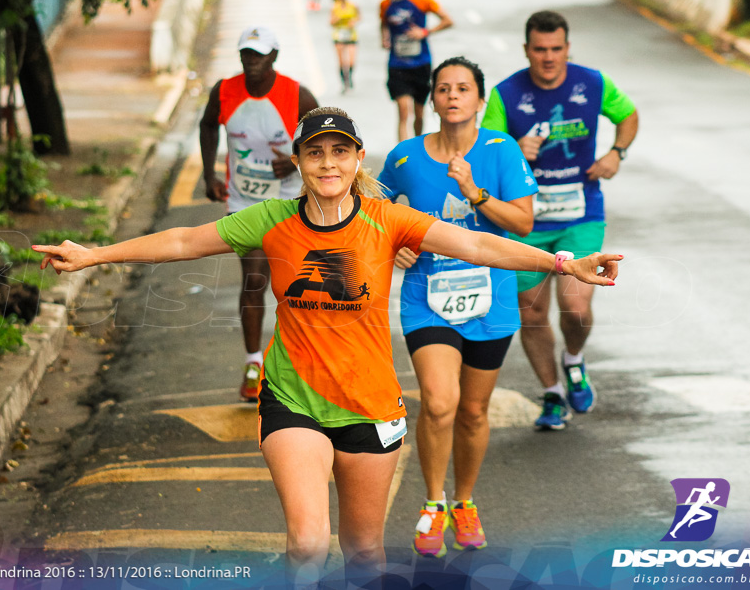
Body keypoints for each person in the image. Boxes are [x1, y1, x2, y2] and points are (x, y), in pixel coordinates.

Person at [33, 106, 621, 587]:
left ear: (358, 158)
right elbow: (188, 239)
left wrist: (563, 264)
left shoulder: (389, 220)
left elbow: (479, 246)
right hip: (294, 399)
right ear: (300, 162)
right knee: (310, 543)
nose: (328, 162)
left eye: (340, 151)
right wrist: (94, 255)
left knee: (363, 552)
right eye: (315, 152)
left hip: (369, 405)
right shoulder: (272, 219)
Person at [378, 57, 536, 557]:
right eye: (443, 88)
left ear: (478, 100)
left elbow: (524, 224)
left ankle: (464, 502)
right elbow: (374, 217)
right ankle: (432, 504)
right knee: (440, 401)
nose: (452, 96)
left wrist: (475, 193)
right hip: (427, 298)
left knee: (472, 411)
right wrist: (393, 245)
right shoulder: (404, 158)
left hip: (491, 301)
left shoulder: (502, 150)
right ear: (432, 99)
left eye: (462, 88)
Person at [481, 10, 639, 430]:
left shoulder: (592, 83)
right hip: (526, 221)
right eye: (540, 50)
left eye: (556, 49)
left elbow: (628, 116)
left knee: (574, 306)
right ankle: (552, 395)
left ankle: (573, 360)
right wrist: (515, 150)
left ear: (567, 48)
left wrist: (615, 154)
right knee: (531, 315)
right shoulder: (505, 94)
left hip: (580, 213)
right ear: (526, 50)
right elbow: (485, 154)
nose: (548, 58)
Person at [198, 26, 319, 402]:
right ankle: (254, 363)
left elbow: (327, 140)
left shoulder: (298, 95)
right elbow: (207, 126)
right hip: (245, 201)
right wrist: (209, 173)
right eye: (247, 55)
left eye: (259, 56)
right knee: (254, 278)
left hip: (290, 204)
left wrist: (297, 162)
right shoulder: (224, 91)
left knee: (295, 285)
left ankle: (300, 362)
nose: (252, 63)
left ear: (274, 58)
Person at [380, 0, 453, 142]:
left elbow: (447, 20)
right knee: (404, 111)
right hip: (397, 65)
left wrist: (425, 32)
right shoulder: (385, 5)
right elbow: (383, 25)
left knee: (419, 114)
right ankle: (402, 153)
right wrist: (384, 38)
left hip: (421, 63)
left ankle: (417, 147)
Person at [330, 0, 359, 94]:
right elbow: (331, 22)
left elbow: (358, 17)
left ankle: (350, 77)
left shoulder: (352, 5)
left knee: (351, 60)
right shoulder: (335, 7)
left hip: (351, 35)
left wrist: (353, 21)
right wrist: (337, 20)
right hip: (339, 36)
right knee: (341, 61)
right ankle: (344, 83)